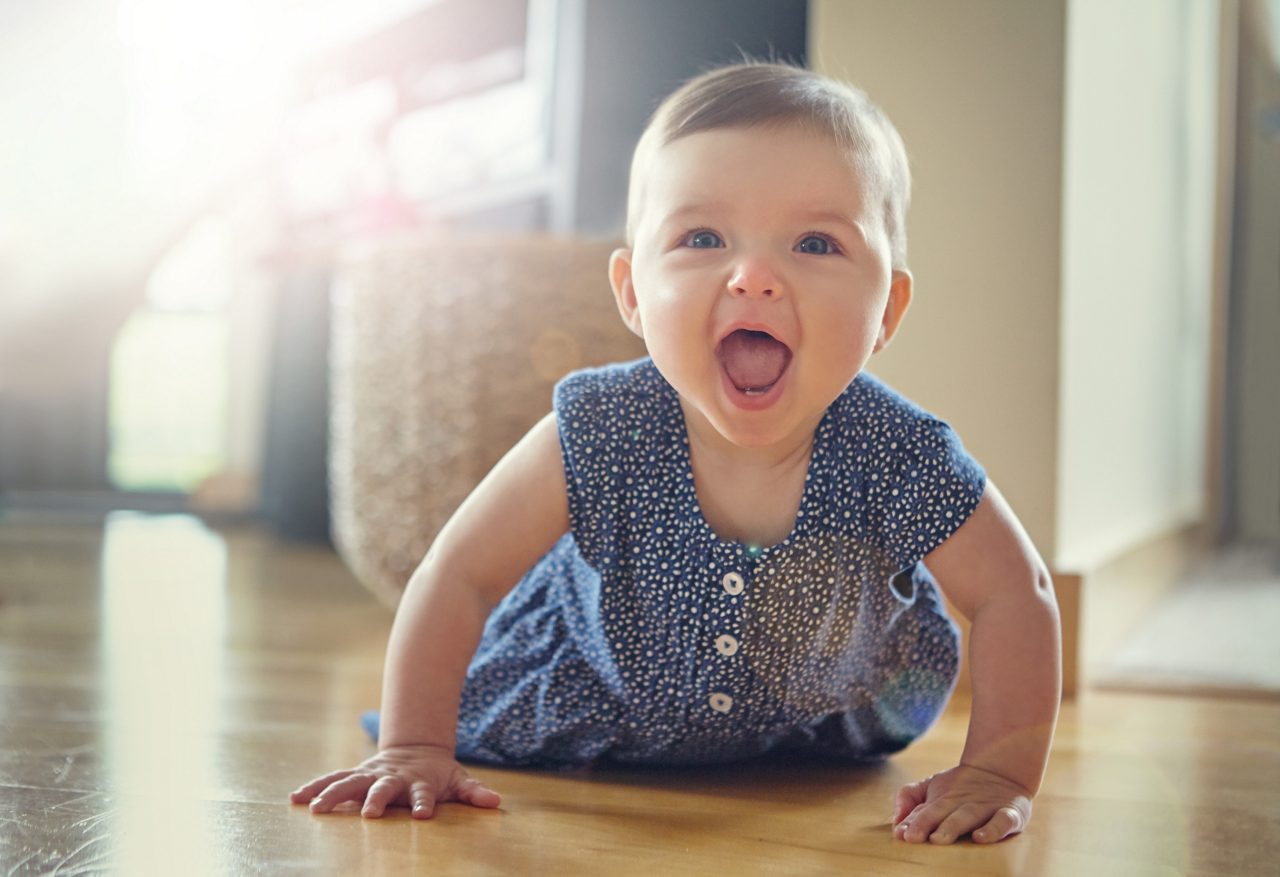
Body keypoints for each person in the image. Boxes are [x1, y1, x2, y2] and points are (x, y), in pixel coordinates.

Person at [291, 62, 1061, 846]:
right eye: (702, 238)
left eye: (815, 243)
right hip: (595, 696)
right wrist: (415, 745)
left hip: (825, 724)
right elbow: (459, 573)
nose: (754, 277)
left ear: (887, 306)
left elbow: (1014, 591)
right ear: (631, 291)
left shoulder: (899, 452)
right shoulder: (600, 426)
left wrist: (998, 773)